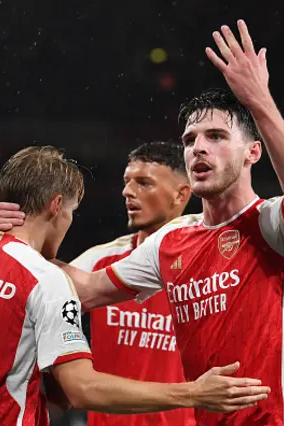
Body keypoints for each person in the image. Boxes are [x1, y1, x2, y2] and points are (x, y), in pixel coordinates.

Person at [0, 21, 284, 426]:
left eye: (216, 136)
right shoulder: (172, 240)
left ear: (253, 152)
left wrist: (259, 101)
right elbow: (87, 289)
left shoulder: (271, 227)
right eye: (190, 139)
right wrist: (15, 239)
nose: (198, 147)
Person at [0, 146, 270, 426]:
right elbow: (81, 388)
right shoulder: (46, 281)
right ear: (55, 206)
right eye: (70, 212)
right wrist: (193, 393)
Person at [70, 141, 195, 426]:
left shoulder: (206, 268)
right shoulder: (99, 260)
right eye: (127, 182)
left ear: (181, 194)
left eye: (143, 183)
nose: (127, 191)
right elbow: (33, 283)